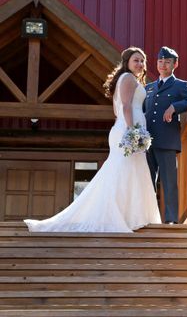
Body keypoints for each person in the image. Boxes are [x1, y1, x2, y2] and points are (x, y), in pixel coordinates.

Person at [25, 47, 161, 232]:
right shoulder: (128, 78)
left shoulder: (129, 79)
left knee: (127, 171)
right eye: (136, 60)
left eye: (142, 61)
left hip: (125, 129)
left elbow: (116, 111)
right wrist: (133, 131)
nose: (140, 64)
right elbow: (127, 107)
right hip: (129, 130)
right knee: (124, 171)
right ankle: (121, 217)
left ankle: (128, 216)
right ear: (127, 62)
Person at [144, 46, 187, 224]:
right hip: (147, 141)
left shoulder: (180, 85)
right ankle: (148, 217)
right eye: (160, 61)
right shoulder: (149, 87)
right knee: (146, 181)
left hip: (167, 140)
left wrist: (175, 107)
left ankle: (170, 219)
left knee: (169, 182)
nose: (163, 65)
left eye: (167, 62)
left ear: (175, 64)